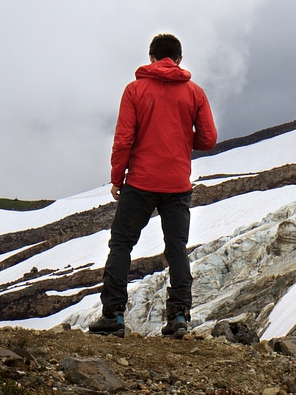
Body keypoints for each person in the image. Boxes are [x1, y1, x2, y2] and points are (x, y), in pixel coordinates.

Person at [89, 33, 217, 337]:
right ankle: (179, 319)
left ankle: (114, 316)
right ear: (179, 59)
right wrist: (185, 140)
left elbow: (124, 139)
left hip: (141, 182)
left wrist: (117, 178)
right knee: (177, 250)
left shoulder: (134, 90)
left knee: (121, 244)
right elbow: (209, 139)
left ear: (151, 58)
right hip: (176, 183)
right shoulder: (195, 92)